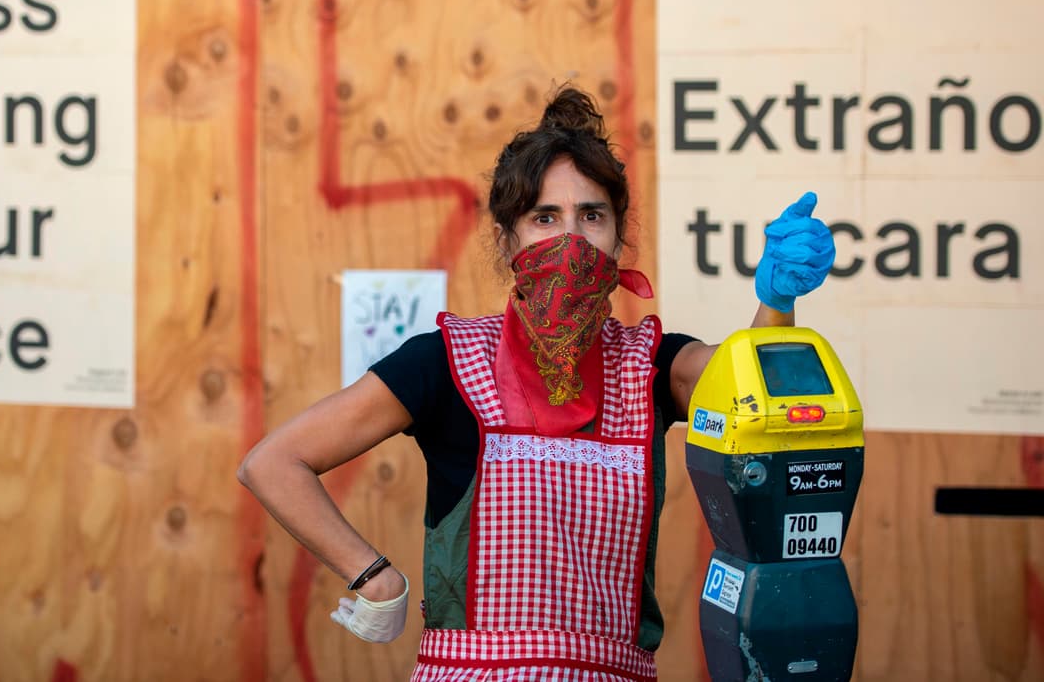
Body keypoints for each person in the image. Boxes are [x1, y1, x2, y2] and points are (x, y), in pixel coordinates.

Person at [238, 85, 835, 680]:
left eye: (591, 216)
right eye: (544, 217)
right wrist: (374, 575)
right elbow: (274, 461)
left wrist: (776, 299)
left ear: (617, 235)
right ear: (508, 240)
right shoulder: (444, 364)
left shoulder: (650, 366)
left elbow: (748, 389)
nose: (571, 241)